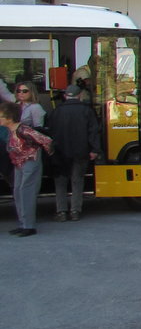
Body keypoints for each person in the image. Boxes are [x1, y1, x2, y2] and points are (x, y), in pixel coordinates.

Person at [45, 84, 102, 222]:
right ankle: (75, 210)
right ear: (80, 95)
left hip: (60, 152)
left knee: (60, 182)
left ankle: (61, 211)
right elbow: (93, 131)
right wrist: (95, 149)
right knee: (77, 180)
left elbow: (50, 132)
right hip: (81, 151)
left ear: (65, 96)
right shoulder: (87, 110)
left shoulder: (56, 111)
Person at [0, 100, 53, 237]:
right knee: (18, 191)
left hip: (30, 161)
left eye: (1, 116)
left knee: (26, 192)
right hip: (19, 163)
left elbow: (46, 141)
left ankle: (29, 225)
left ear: (9, 118)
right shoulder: (12, 130)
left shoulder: (23, 129)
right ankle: (23, 223)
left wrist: (39, 156)